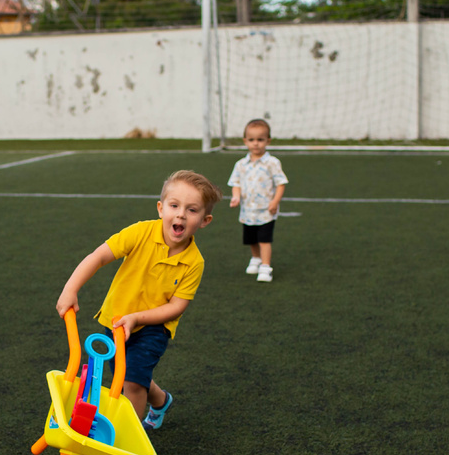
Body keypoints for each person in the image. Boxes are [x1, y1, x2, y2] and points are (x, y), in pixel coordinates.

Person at [55, 169, 220, 430]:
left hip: (153, 328)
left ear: (204, 220)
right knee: (130, 376)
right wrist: (70, 289)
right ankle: (161, 401)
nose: (180, 215)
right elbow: (99, 256)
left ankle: (126, 436)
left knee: (131, 382)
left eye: (191, 210)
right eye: (174, 206)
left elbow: (176, 307)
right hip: (116, 320)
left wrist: (136, 318)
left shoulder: (194, 262)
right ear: (160, 208)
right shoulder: (140, 232)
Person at [227, 118, 288, 283]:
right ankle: (256, 258)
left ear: (268, 141)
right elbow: (236, 183)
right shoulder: (241, 164)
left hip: (266, 211)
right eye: (251, 139)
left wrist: (275, 202)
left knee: (264, 239)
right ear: (245, 141)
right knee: (251, 239)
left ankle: (266, 267)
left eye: (260, 139)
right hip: (248, 210)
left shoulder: (272, 163)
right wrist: (236, 197)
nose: (256, 143)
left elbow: (281, 183)